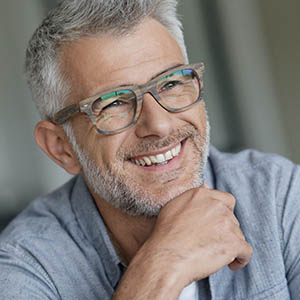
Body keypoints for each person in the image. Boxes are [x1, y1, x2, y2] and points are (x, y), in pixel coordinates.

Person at [0, 0, 299, 299]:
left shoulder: (276, 196)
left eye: (170, 83)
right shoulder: (25, 268)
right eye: (114, 102)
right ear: (61, 148)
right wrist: (163, 265)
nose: (160, 125)